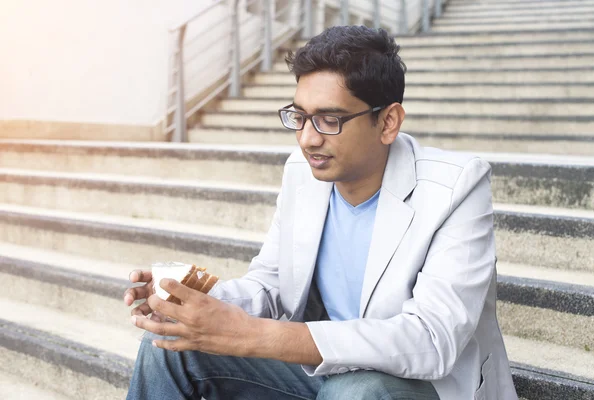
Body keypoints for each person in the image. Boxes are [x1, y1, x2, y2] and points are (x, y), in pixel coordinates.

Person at [123, 26, 519, 400]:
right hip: (329, 372)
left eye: (330, 120)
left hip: (423, 385)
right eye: (300, 117)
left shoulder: (456, 188)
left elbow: (431, 339)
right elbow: (273, 285)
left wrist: (258, 336)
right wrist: (191, 301)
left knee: (354, 392)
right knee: (171, 343)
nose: (308, 138)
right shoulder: (303, 174)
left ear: (388, 122)